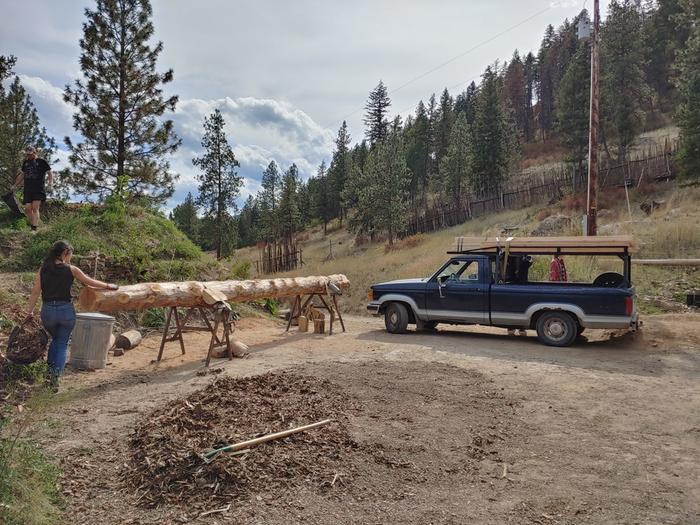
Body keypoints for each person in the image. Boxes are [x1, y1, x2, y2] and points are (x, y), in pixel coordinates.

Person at [25, 240, 119, 390]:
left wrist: (29, 311)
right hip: (65, 312)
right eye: (70, 254)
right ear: (65, 253)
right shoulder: (71, 270)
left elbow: (36, 292)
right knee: (61, 344)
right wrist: (109, 286)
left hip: (48, 311)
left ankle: (49, 375)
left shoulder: (43, 269)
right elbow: (91, 282)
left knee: (54, 341)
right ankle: (54, 378)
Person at [13, 146, 53, 233]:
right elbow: (22, 175)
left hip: (38, 188)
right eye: (27, 154)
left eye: (30, 154)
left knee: (35, 208)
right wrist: (15, 185)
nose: (28, 156)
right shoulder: (26, 162)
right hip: (28, 189)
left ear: (34, 153)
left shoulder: (42, 162)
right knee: (27, 209)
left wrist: (50, 183)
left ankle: (34, 228)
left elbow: (50, 173)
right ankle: (32, 225)